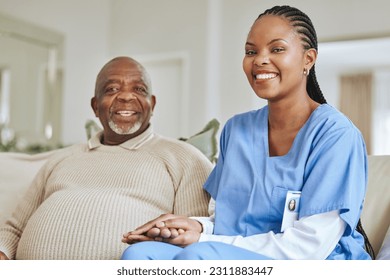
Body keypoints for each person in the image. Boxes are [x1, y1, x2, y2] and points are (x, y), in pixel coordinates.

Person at [120, 5, 373, 260]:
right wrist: (196, 227)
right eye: (251, 51)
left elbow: (309, 248)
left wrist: (204, 240)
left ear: (308, 59)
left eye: (277, 49)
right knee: (140, 255)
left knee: (199, 256)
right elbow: (230, 223)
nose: (260, 59)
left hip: (313, 264)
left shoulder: (335, 135)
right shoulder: (236, 130)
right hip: (236, 254)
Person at [0, 56, 212, 260]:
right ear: (95, 105)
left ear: (152, 104)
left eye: (139, 89)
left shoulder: (185, 158)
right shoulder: (61, 158)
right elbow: (14, 229)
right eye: (112, 89)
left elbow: (196, 241)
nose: (126, 97)